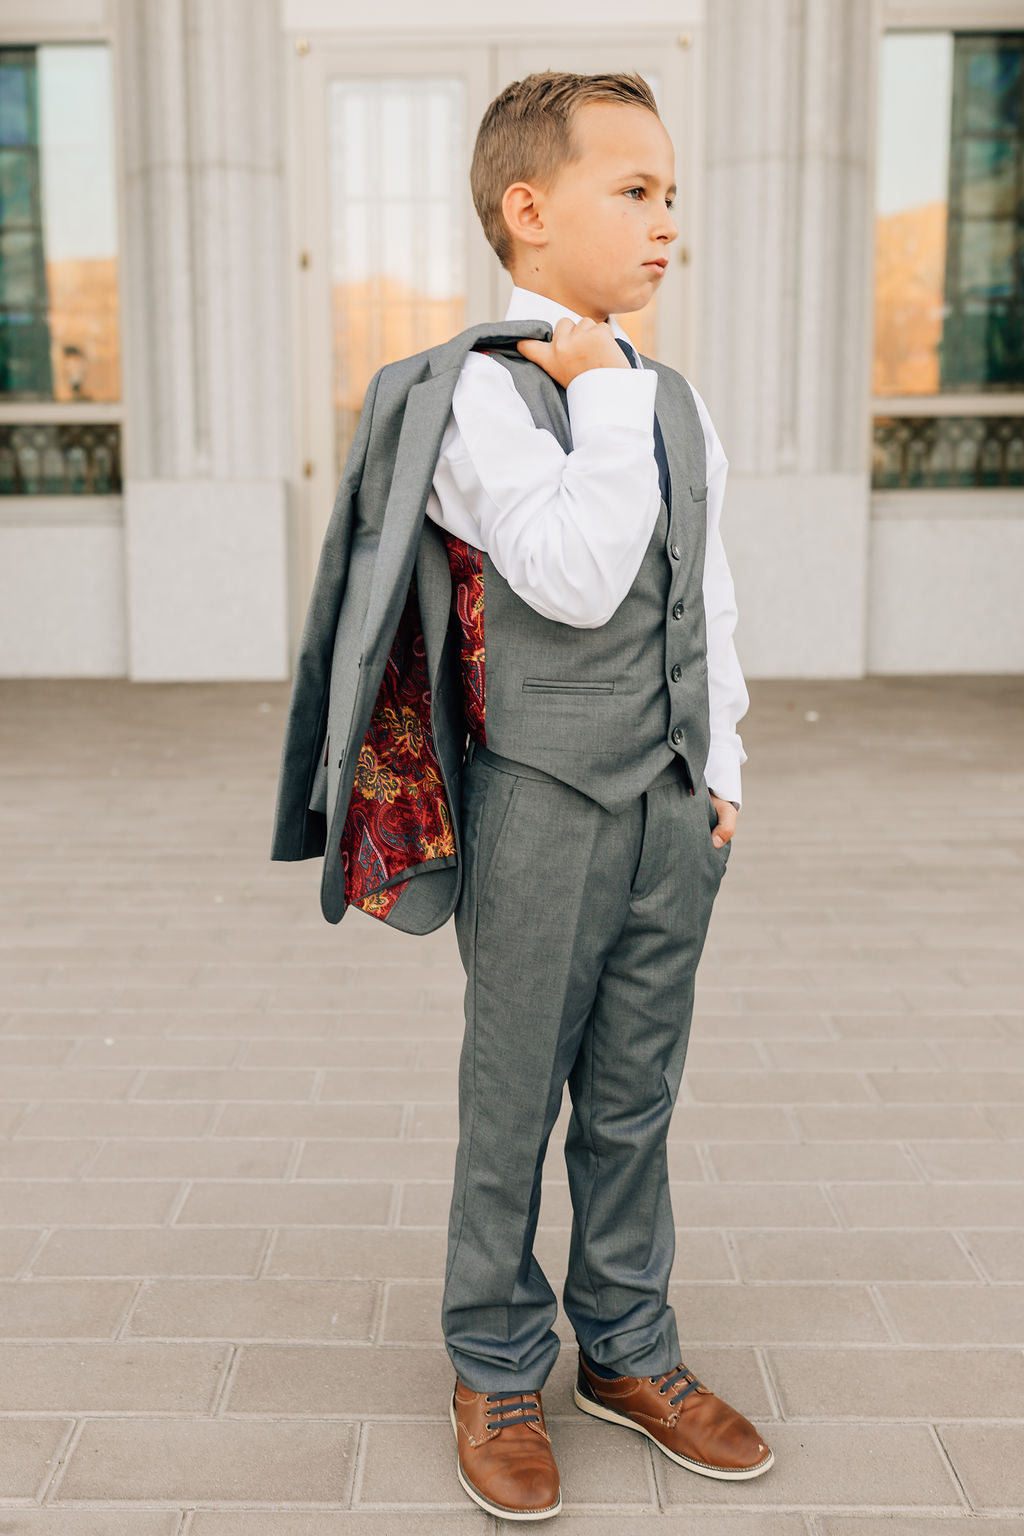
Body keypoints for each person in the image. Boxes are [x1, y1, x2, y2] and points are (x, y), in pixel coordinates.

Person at [428, 71, 773, 1520]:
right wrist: (610, 400)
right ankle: (497, 1360)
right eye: (633, 192)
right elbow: (566, 576)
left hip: (668, 807)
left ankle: (627, 1346)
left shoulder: (667, 400)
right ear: (528, 209)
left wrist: (727, 769)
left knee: (635, 1098)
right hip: (542, 802)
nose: (665, 223)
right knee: (516, 1097)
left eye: (672, 195)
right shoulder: (475, 393)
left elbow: (713, 597)